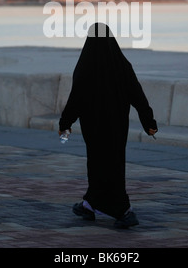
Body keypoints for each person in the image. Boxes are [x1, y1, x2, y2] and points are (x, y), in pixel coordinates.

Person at [58, 22, 158, 229]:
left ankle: (123, 210)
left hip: (93, 128)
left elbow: (75, 98)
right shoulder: (121, 64)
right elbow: (137, 95)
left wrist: (65, 123)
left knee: (97, 163)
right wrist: (149, 122)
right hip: (116, 127)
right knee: (113, 163)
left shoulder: (85, 65)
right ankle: (89, 204)